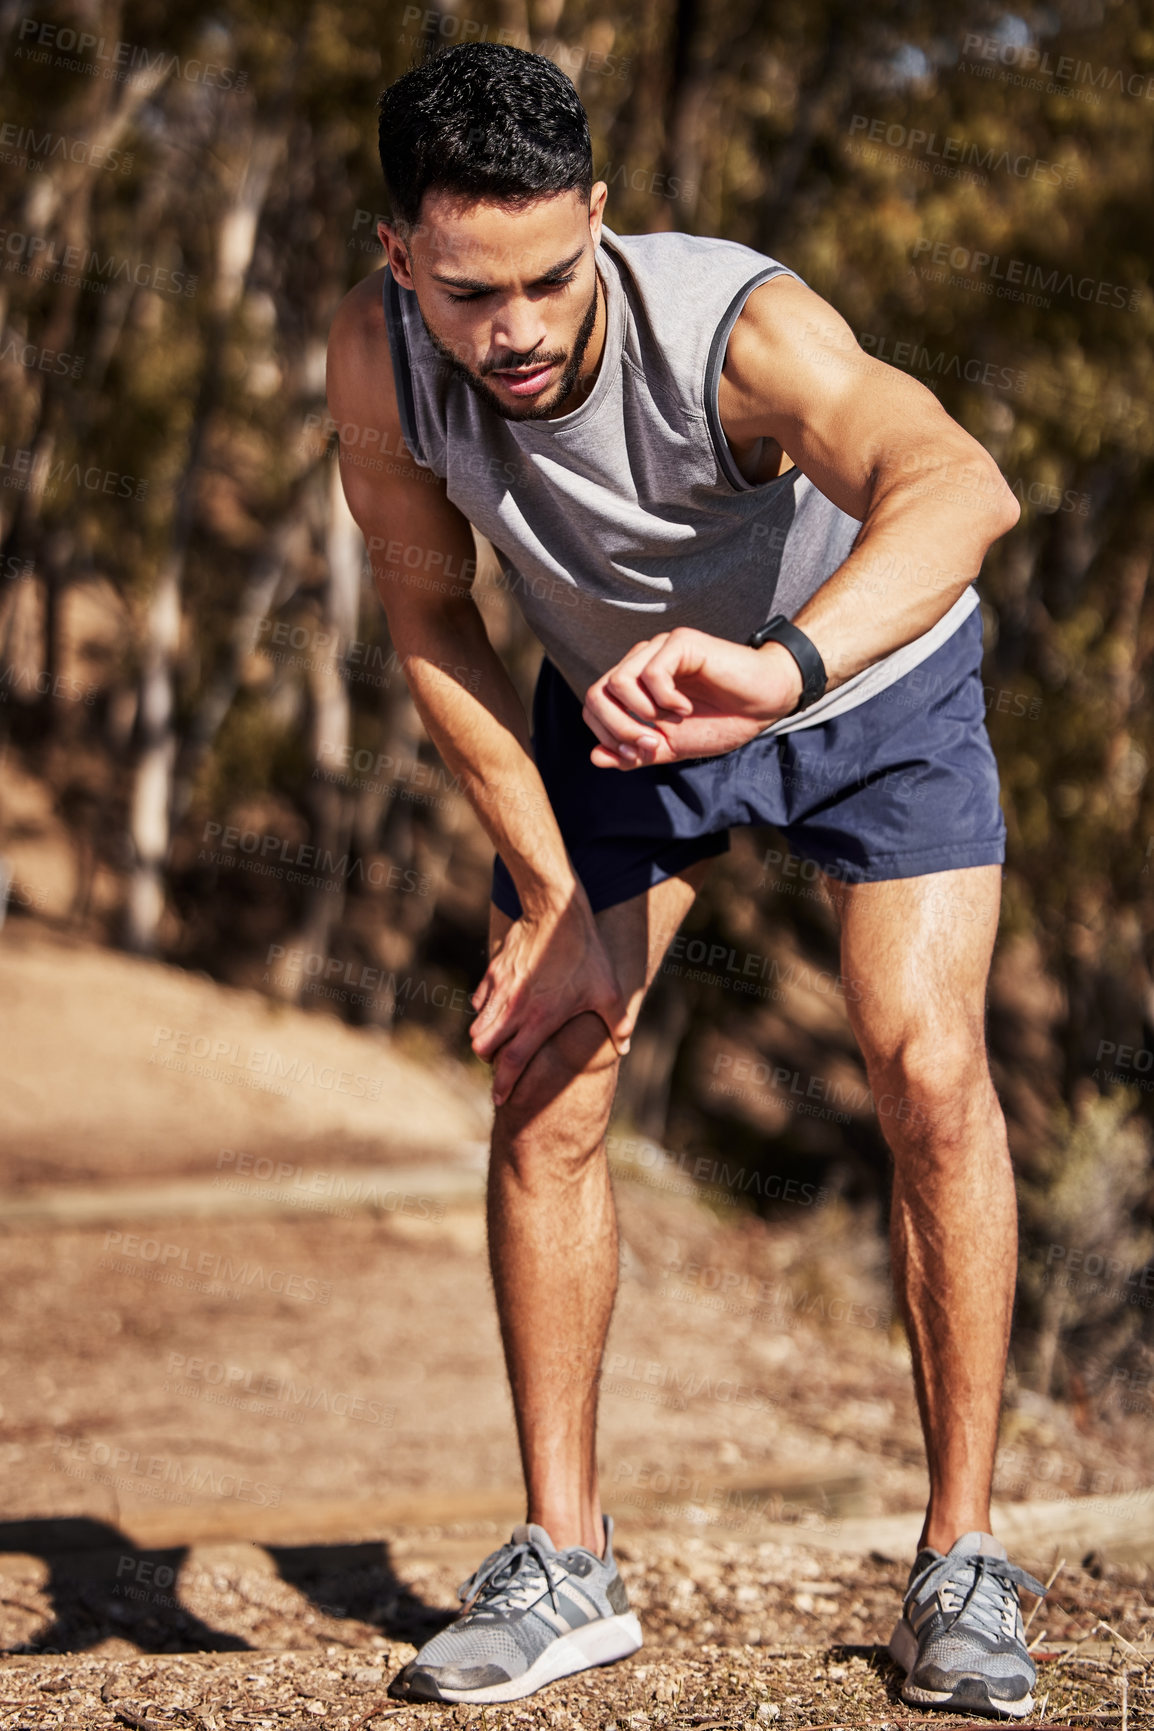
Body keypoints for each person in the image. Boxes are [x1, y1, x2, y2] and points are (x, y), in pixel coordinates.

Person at [325, 40, 1047, 1719]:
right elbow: (429, 623)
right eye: (462, 290)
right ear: (395, 258)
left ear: (600, 215)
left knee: (924, 1065)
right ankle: (565, 1562)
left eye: (545, 276)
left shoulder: (737, 330)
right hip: (615, 707)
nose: (508, 330)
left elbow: (963, 484)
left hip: (860, 678)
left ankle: (959, 1563)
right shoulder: (381, 359)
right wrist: (547, 883)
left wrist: (783, 668)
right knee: (548, 1075)